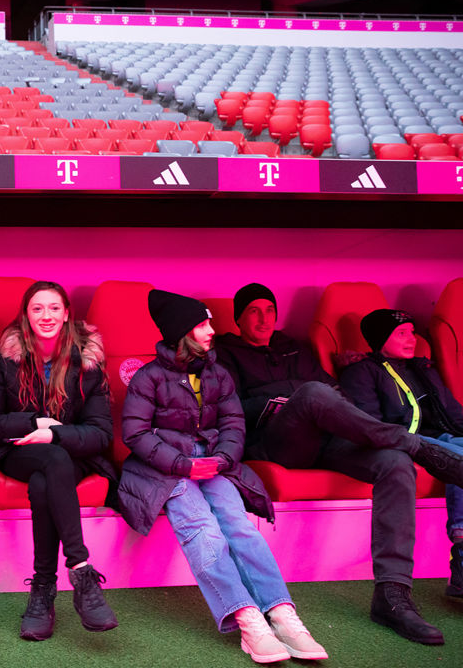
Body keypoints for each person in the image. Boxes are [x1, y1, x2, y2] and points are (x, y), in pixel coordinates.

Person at [216, 284, 463, 645]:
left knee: (395, 463)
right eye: (253, 310)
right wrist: (280, 399)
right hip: (278, 440)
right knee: (312, 394)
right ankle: (419, 446)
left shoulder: (295, 348)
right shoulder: (224, 354)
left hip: (328, 438)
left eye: (269, 309)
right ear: (238, 317)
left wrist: (319, 396)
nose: (264, 317)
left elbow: (336, 392)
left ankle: (392, 596)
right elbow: (230, 406)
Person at [120, 290, 327, 664]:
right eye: (203, 324)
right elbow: (135, 434)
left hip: (214, 462)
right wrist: (184, 465)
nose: (212, 330)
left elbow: (233, 421)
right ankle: (247, 618)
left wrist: (223, 457)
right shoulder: (149, 378)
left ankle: (281, 613)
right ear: (183, 332)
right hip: (166, 469)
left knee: (240, 526)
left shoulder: (218, 373)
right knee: (203, 528)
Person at [0, 281, 118, 641]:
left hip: (71, 453)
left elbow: (100, 433)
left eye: (53, 308)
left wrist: (56, 434)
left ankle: (43, 588)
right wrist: (34, 423)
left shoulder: (89, 361)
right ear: (26, 316)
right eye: (37, 309)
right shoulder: (8, 358)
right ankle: (81, 571)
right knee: (49, 460)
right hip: (17, 450)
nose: (46, 316)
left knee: (46, 474)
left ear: (67, 314)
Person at [339, 308, 463, 604]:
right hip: (403, 441)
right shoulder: (362, 372)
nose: (412, 339)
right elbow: (369, 423)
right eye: (402, 334)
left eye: (413, 332)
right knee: (457, 460)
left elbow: (454, 412)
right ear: (382, 339)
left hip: (439, 436)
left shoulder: (423, 369)